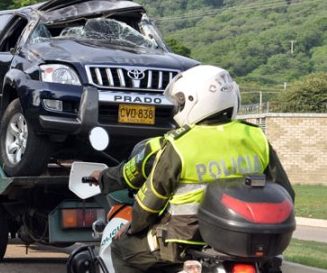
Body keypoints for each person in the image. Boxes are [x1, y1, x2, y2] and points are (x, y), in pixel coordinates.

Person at [91, 65, 295, 273]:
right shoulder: (256, 137)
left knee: (120, 249)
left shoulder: (180, 144)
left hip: (181, 241)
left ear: (192, 101)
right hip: (245, 244)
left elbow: (149, 204)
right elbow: (285, 192)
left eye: (178, 102)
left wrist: (133, 227)